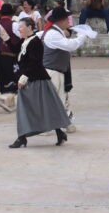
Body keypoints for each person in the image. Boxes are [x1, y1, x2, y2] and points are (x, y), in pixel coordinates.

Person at [7, 18, 70, 148]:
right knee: (29, 109)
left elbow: (35, 62)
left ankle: (23, 138)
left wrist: (24, 76)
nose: (19, 29)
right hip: (29, 80)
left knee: (45, 109)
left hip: (38, 81)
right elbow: (14, 49)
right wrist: (6, 38)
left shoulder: (36, 42)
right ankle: (23, 137)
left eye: (21, 27)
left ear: (30, 27)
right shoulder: (24, 41)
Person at [41, 6, 87, 133]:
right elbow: (70, 45)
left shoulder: (56, 32)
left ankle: (65, 124)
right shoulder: (52, 34)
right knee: (52, 101)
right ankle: (45, 128)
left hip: (57, 71)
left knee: (60, 100)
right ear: (60, 20)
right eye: (67, 19)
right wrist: (82, 36)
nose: (69, 21)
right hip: (51, 71)